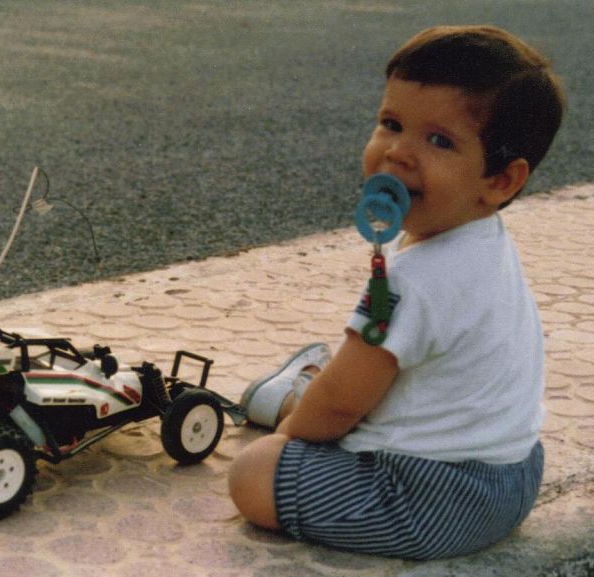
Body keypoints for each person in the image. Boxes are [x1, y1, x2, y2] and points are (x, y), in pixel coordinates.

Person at [228, 25, 565, 560]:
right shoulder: (486, 241)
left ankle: (292, 401)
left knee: (253, 472)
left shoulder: (413, 279)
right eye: (391, 124)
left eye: (438, 140)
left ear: (500, 181)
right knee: (358, 379)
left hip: (428, 501)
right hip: (512, 477)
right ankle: (298, 390)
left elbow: (342, 404)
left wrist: (287, 439)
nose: (398, 153)